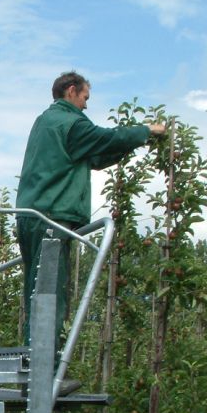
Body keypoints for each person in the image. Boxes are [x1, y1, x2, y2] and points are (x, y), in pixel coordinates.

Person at [17, 71, 165, 393]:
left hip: (31, 214)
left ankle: (34, 366)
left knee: (35, 292)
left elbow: (95, 155)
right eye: (85, 98)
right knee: (51, 295)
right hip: (52, 218)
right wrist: (145, 132)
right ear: (72, 91)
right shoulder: (71, 122)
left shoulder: (46, 122)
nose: (86, 105)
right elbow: (103, 139)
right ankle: (44, 374)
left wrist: (128, 146)